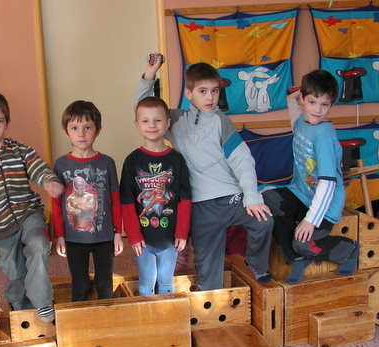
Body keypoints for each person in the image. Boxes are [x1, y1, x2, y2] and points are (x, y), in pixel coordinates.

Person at [137, 54, 274, 290]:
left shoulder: (221, 121)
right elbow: (145, 109)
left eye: (215, 91)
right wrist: (150, 74)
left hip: (232, 197)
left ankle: (256, 265)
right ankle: (208, 290)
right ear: (189, 93)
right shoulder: (175, 120)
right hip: (201, 206)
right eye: (203, 91)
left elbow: (242, 160)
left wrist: (252, 197)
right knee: (209, 279)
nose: (210, 97)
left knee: (264, 221)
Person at [0, 91, 63, 322]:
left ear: (7, 122)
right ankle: (21, 311)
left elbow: (39, 169)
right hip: (0, 228)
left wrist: (49, 181)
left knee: (39, 244)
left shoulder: (21, 150)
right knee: (15, 276)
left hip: (28, 214)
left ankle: (43, 302)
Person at [262, 70, 359, 284]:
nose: (317, 110)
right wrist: (293, 96)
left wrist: (310, 220)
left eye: (324, 105)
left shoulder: (323, 134)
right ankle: (297, 258)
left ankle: (348, 249)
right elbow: (293, 111)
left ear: (331, 106)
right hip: (302, 193)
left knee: (304, 243)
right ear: (303, 100)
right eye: (312, 102)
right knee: (269, 198)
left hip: (326, 204)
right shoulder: (301, 122)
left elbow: (328, 183)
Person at [52, 100, 123, 302]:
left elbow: (115, 200)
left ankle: (107, 318)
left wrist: (118, 233)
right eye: (74, 128)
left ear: (98, 130)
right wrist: (59, 236)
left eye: (87, 127)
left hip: (104, 236)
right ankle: (79, 320)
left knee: (104, 285)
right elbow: (56, 204)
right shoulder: (61, 165)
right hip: (74, 238)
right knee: (80, 285)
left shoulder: (107, 163)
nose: (81, 133)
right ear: (66, 132)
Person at [120, 96, 192, 295]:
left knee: (166, 282)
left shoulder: (177, 159)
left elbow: (185, 200)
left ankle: (167, 313)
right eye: (145, 121)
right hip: (143, 238)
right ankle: (148, 313)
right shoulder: (132, 160)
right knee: (146, 282)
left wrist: (182, 233)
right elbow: (127, 202)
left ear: (167, 123)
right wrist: (133, 236)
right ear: (137, 125)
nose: (152, 125)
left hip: (170, 238)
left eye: (157, 120)